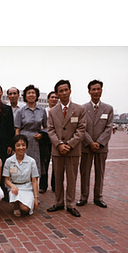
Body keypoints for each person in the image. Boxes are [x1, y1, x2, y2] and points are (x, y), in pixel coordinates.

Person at [47, 80, 86, 217]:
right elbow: (50, 130)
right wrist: (59, 144)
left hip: (73, 150)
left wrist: (69, 145)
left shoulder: (79, 109)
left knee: (71, 178)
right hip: (57, 150)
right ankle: (58, 203)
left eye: (66, 90)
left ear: (70, 91)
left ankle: (71, 204)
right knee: (58, 178)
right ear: (57, 93)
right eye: (60, 91)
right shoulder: (52, 111)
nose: (63, 93)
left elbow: (81, 130)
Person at [77, 80, 113, 208]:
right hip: (86, 146)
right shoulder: (82, 108)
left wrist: (99, 142)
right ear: (89, 92)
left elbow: (109, 128)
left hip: (101, 147)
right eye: (93, 89)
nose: (96, 91)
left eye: (98, 89)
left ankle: (98, 197)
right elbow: (81, 127)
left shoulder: (108, 109)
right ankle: (84, 196)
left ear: (101, 91)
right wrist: (90, 142)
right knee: (85, 172)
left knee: (100, 172)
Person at [15, 84, 47, 177]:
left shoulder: (42, 110)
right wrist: (17, 144)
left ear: (36, 95)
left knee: (35, 166)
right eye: (28, 93)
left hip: (37, 141)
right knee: (22, 164)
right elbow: (17, 128)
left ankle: (34, 188)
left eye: (33, 93)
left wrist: (42, 134)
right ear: (25, 96)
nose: (31, 95)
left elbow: (46, 127)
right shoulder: (20, 111)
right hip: (23, 140)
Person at [3, 135, 39, 217]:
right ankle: (16, 205)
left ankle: (22, 202)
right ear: (14, 147)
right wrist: (12, 186)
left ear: (26, 146)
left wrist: (36, 198)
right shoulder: (9, 161)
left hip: (27, 187)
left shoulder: (31, 161)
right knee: (18, 206)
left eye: (23, 145)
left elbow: (34, 180)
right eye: (18, 145)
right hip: (14, 186)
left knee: (25, 209)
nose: (21, 148)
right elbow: (6, 180)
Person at [39, 91, 58, 193]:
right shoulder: (43, 111)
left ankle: (55, 185)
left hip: (57, 140)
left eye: (56, 97)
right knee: (44, 163)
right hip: (45, 140)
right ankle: (43, 185)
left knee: (56, 163)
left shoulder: (60, 111)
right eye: (52, 97)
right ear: (48, 99)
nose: (54, 99)